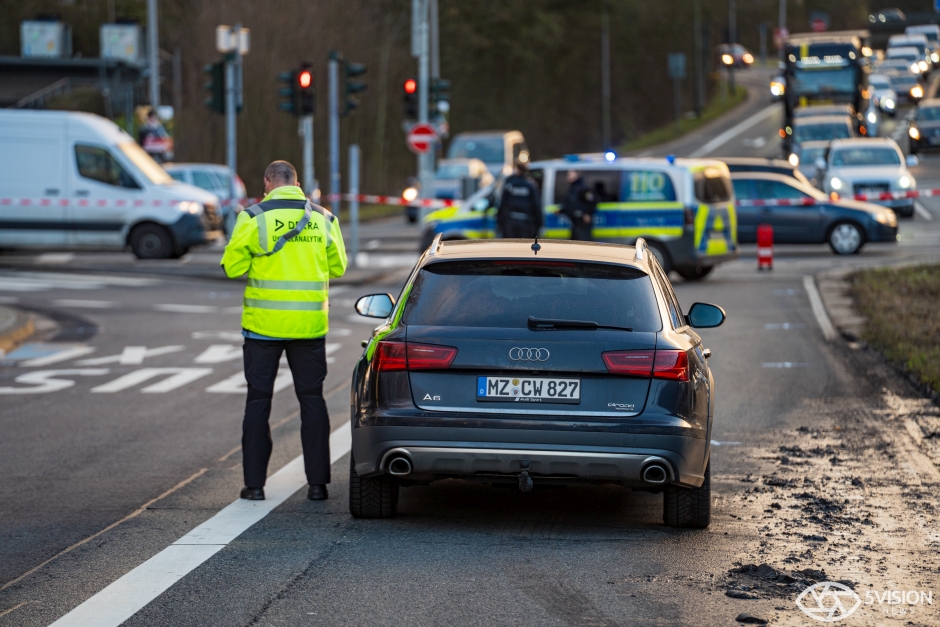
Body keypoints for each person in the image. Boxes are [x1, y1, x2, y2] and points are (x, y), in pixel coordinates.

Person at [221, 161, 347, 502]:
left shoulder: (252, 217)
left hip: (263, 328)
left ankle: (255, 486)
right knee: (312, 401)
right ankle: (318, 486)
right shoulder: (324, 218)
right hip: (308, 326)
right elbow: (338, 265)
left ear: (267, 183)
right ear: (297, 183)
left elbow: (232, 267)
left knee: (259, 401)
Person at [497, 162, 542, 238]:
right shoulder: (530, 185)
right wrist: (538, 224)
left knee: (511, 246)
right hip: (526, 223)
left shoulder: (510, 184)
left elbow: (503, 203)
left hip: (510, 222)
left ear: (517, 169)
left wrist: (500, 221)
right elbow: (536, 205)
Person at [561, 170, 597, 241]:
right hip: (575, 221)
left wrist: (587, 213)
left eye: (570, 174)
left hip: (582, 221)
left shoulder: (583, 188)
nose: (568, 177)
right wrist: (562, 210)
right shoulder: (573, 188)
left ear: (577, 174)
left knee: (584, 242)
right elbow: (571, 204)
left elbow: (592, 201)